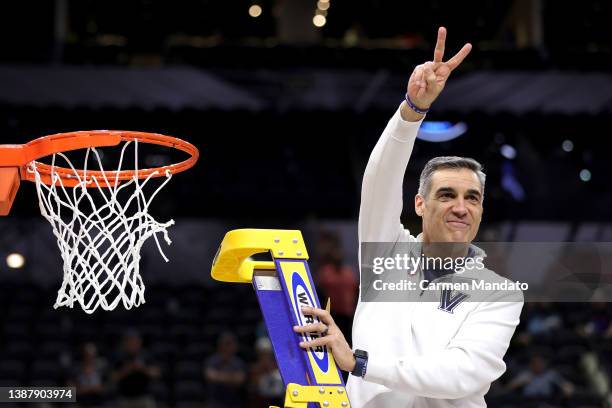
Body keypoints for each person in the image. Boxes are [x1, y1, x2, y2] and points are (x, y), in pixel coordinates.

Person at [294, 27, 524, 407]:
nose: (461, 207)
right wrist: (411, 113)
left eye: (472, 198)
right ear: (419, 204)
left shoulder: (500, 293)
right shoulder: (386, 254)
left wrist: (361, 363)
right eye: (446, 195)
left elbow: (460, 374)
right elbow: (380, 181)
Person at [111, 331, 161, 408]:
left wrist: (141, 368)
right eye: (130, 341)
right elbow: (113, 378)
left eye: (135, 341)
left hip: (144, 397)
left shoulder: (146, 355)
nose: (132, 344)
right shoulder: (119, 357)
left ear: (140, 342)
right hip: (125, 398)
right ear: (125, 343)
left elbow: (156, 374)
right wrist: (127, 369)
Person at [203, 331, 247, 408]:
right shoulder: (212, 360)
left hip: (234, 403)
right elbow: (210, 376)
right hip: (215, 402)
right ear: (220, 345)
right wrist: (231, 378)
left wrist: (219, 376)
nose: (230, 347)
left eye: (231, 344)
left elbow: (240, 379)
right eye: (227, 344)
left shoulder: (238, 362)